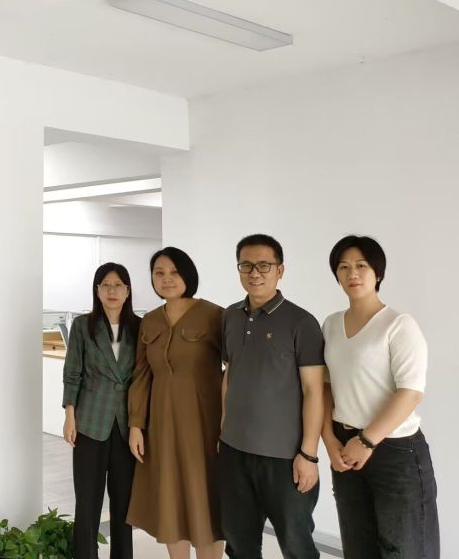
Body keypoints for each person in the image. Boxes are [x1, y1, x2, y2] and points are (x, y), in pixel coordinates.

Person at [321, 235, 439, 558]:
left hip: (395, 451)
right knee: (358, 547)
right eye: (343, 267)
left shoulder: (398, 325)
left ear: (378, 272)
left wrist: (367, 441)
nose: (352, 274)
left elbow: (410, 392)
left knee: (405, 550)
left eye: (361, 265)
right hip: (345, 447)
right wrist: (329, 440)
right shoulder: (330, 325)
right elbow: (326, 386)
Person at [219, 234, 325, 559]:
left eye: (264, 265)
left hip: (284, 458)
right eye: (246, 265)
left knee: (297, 547)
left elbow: (314, 391)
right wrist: (222, 430)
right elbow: (229, 375)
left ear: (280, 270)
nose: (255, 273)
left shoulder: (302, 322)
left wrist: (309, 454)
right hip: (234, 450)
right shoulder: (230, 316)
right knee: (239, 545)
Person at [127, 247, 224, 559]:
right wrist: (136, 425)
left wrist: (231, 423)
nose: (166, 279)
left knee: (204, 499)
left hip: (205, 424)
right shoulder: (150, 321)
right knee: (169, 498)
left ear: (188, 275)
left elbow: (238, 369)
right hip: (162, 425)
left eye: (174, 272)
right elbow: (141, 375)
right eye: (159, 273)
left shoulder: (214, 315)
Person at [62, 262, 142, 559]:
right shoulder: (83, 326)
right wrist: (69, 415)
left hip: (127, 426)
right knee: (88, 501)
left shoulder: (140, 327)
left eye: (118, 285)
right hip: (90, 422)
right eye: (105, 285)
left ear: (127, 291)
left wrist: (141, 423)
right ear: (97, 291)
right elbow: (73, 373)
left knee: (124, 504)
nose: (112, 291)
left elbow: (143, 378)